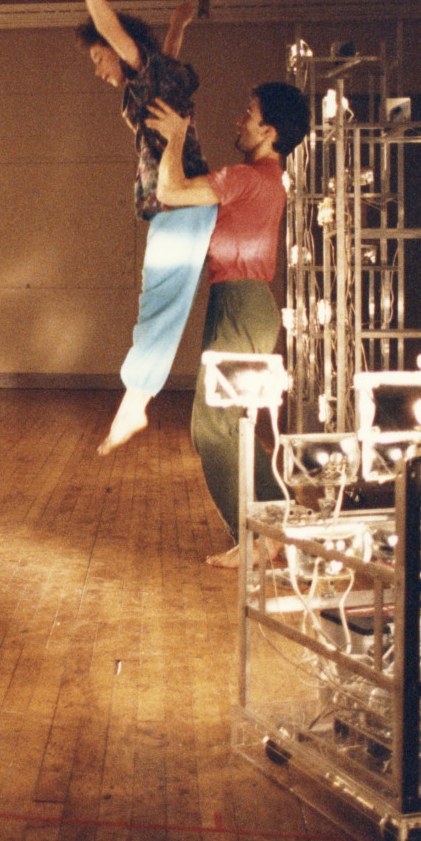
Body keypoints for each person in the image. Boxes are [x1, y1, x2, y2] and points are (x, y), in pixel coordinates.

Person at [61, 0, 213, 456]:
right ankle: (137, 398)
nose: (99, 70)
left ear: (116, 48)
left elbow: (116, 32)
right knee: (158, 301)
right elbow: (163, 58)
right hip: (177, 205)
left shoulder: (142, 69)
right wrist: (177, 25)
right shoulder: (153, 80)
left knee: (161, 305)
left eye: (97, 59)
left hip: (183, 202)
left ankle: (136, 402)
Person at [145, 81, 308, 567]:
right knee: (232, 425)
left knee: (212, 428)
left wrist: (176, 136)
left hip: (241, 304)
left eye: (248, 113)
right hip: (243, 304)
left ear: (269, 131)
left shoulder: (246, 178)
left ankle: (256, 535)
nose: (239, 120)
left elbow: (170, 191)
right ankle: (274, 525)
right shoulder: (266, 179)